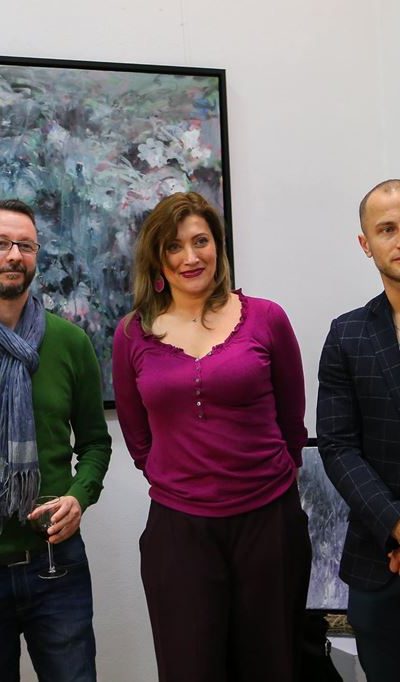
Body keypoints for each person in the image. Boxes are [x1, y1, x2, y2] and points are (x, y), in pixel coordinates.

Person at [112, 191, 311, 682]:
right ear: (158, 257)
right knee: (190, 668)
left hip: (269, 523)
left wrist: (264, 479)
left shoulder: (266, 317)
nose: (191, 257)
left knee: (273, 664)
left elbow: (292, 423)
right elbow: (138, 439)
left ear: (218, 246)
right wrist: (187, 482)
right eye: (174, 246)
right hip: (179, 531)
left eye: (201, 241)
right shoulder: (132, 334)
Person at [0, 198, 112, 682]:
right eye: (2, 243)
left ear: (36, 256)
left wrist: (79, 496)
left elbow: (95, 443)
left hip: (55, 562)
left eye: (25, 245)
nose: (14, 255)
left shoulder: (70, 342)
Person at [317, 179, 400, 682]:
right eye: (387, 229)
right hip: (379, 558)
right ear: (366, 244)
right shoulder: (347, 334)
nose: (399, 239)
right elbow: (338, 447)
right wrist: (396, 525)